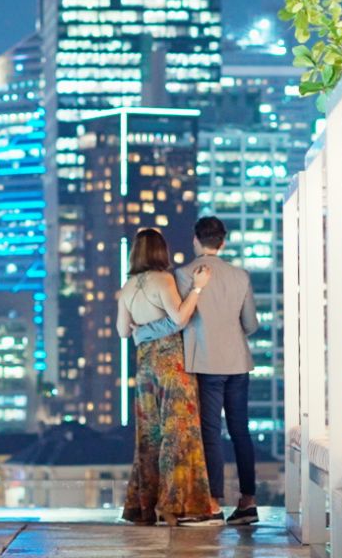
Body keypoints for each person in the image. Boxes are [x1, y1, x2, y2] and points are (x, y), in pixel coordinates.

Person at [135, 216, 260, 526]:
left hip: (204, 363)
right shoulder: (240, 276)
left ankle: (213, 503)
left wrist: (143, 332)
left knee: (210, 433)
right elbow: (251, 325)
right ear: (223, 242)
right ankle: (248, 503)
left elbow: (179, 318)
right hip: (238, 362)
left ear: (195, 240)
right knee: (241, 432)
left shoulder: (182, 274)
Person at [116, 228, 221, 527]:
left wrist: (145, 327)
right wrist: (197, 289)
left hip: (145, 364)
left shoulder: (127, 287)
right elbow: (179, 318)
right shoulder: (163, 280)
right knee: (180, 430)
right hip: (171, 363)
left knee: (149, 435)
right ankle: (175, 505)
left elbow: (124, 332)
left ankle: (145, 506)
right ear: (160, 251)